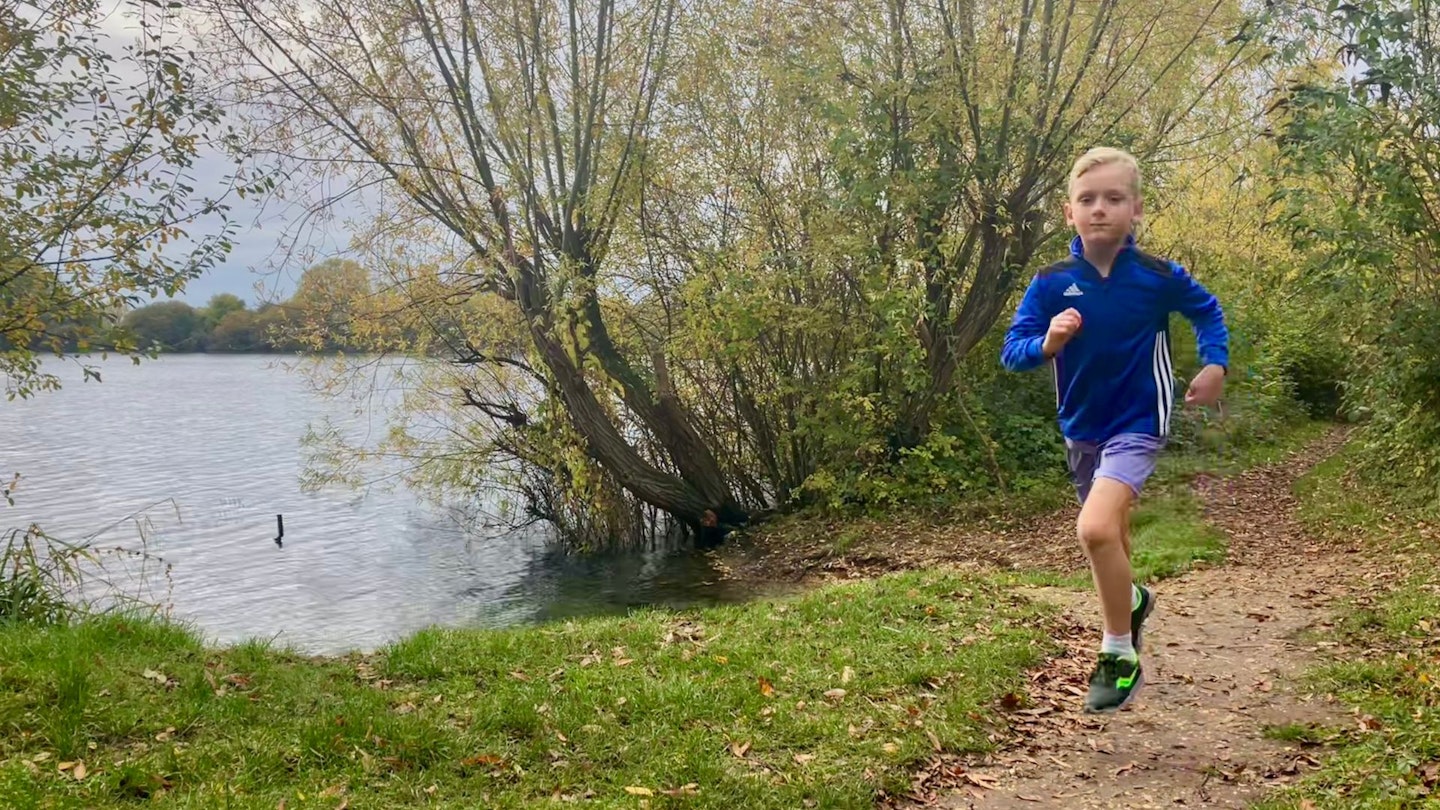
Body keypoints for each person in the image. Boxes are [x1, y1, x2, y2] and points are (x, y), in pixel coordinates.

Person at [1000, 146, 1229, 713]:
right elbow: (1013, 352)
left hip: (1139, 421)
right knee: (1113, 533)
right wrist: (1047, 343)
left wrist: (1215, 363)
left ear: (1136, 210)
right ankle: (1131, 598)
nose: (1100, 208)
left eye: (1113, 198)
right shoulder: (1052, 283)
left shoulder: (1156, 277)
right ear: (1068, 213)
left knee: (1095, 530)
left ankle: (1117, 652)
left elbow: (1208, 311)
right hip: (1081, 427)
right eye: (1087, 199)